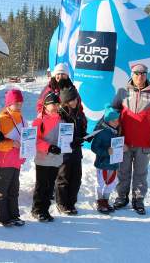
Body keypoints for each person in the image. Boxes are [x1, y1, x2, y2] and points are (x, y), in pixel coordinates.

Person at [112, 63, 150, 215]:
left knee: (141, 173)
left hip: (145, 142)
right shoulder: (122, 92)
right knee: (123, 171)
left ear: (146, 75)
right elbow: (112, 112)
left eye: (143, 73)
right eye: (137, 73)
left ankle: (138, 200)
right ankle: (122, 197)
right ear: (132, 74)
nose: (140, 76)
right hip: (125, 142)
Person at [0, 89, 26, 227]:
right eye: (16, 103)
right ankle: (2, 217)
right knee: (2, 189)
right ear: (8, 103)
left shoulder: (22, 118)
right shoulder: (1, 119)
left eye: (20, 103)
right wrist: (11, 143)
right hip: (5, 160)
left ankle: (14, 215)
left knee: (14, 190)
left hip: (17, 161)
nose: (19, 105)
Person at [55, 86, 88, 215]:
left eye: (75, 99)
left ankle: (71, 203)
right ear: (64, 101)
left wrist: (85, 136)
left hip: (76, 153)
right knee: (63, 178)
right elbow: (58, 135)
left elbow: (80, 130)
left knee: (76, 178)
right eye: (70, 100)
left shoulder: (79, 114)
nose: (74, 102)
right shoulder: (60, 115)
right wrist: (73, 141)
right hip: (64, 154)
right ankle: (61, 203)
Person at [31, 92, 63, 222]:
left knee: (50, 187)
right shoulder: (39, 121)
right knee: (42, 186)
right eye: (52, 104)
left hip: (56, 159)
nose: (55, 106)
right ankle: (37, 210)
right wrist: (49, 147)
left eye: (57, 104)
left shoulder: (61, 119)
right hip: (43, 159)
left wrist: (71, 141)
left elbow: (64, 137)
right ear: (45, 106)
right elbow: (34, 140)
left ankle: (45, 210)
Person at [91, 105, 123, 214]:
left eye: (117, 120)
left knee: (112, 182)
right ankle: (100, 200)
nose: (116, 122)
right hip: (102, 164)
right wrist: (106, 152)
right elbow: (94, 147)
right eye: (114, 120)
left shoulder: (117, 131)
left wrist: (123, 148)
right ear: (108, 121)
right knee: (100, 182)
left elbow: (118, 146)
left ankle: (105, 200)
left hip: (113, 164)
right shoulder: (101, 132)